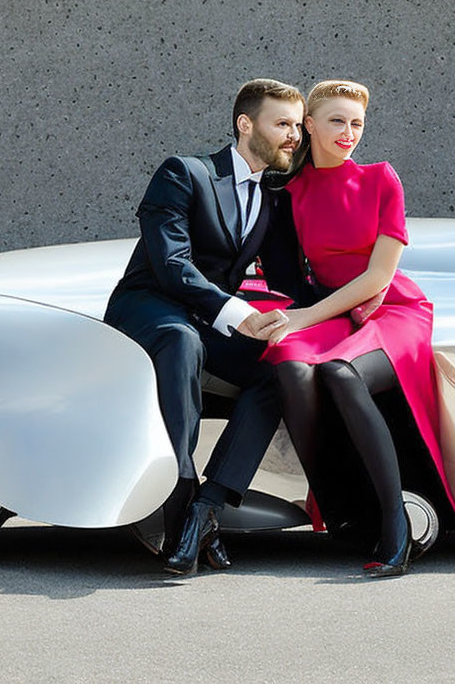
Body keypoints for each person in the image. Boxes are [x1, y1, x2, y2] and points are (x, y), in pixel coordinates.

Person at [261, 80, 455, 578]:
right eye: (336, 121)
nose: (348, 132)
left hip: (393, 310)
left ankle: (394, 521)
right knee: (287, 363)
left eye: (356, 123)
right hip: (335, 312)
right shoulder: (290, 189)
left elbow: (379, 277)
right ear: (309, 124)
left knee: (340, 373)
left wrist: (307, 316)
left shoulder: (381, 178)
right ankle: (342, 509)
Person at [104, 78, 306, 575]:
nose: (294, 136)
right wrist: (238, 314)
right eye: (283, 123)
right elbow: (172, 264)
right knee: (181, 340)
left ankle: (206, 506)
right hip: (150, 307)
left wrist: (357, 301)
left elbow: (291, 281)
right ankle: (176, 504)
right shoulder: (184, 173)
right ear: (245, 124)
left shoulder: (273, 199)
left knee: (281, 369)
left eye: (298, 126)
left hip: (207, 319)